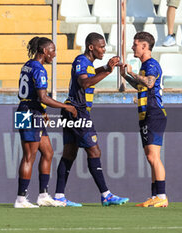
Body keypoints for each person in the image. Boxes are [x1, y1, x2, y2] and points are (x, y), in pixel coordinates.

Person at [53, 32, 129, 207]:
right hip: (77, 111)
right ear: (91, 47)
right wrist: (109, 71)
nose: (104, 49)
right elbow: (85, 83)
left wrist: (105, 67)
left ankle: (58, 196)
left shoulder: (86, 64)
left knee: (69, 154)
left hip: (73, 111)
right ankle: (106, 195)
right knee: (94, 151)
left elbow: (89, 75)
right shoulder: (81, 60)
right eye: (101, 47)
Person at [14, 36, 77, 208]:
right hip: (28, 113)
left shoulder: (27, 65)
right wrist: (66, 107)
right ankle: (21, 199)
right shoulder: (39, 69)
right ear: (44, 51)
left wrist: (42, 111)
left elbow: (30, 94)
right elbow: (43, 97)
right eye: (53, 50)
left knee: (48, 152)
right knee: (29, 156)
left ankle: (43, 195)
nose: (54, 55)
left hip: (30, 110)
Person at [120, 31, 168, 208]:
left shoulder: (151, 64)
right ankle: (155, 196)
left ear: (144, 46)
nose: (133, 47)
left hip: (153, 112)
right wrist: (126, 75)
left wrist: (132, 73)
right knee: (151, 156)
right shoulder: (145, 66)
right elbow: (141, 85)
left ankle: (161, 196)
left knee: (153, 156)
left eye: (135, 44)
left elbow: (149, 83)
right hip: (147, 114)